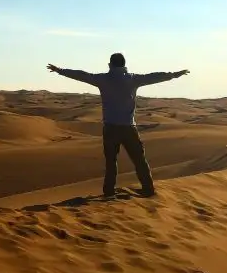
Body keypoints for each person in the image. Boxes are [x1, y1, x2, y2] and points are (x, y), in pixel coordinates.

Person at [46, 53, 189, 197]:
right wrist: (175, 74)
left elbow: (82, 75)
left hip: (110, 128)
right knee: (139, 160)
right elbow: (154, 77)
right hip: (128, 127)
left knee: (111, 161)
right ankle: (148, 189)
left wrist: (60, 70)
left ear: (110, 65)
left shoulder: (103, 79)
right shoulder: (132, 79)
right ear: (124, 64)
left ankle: (109, 191)